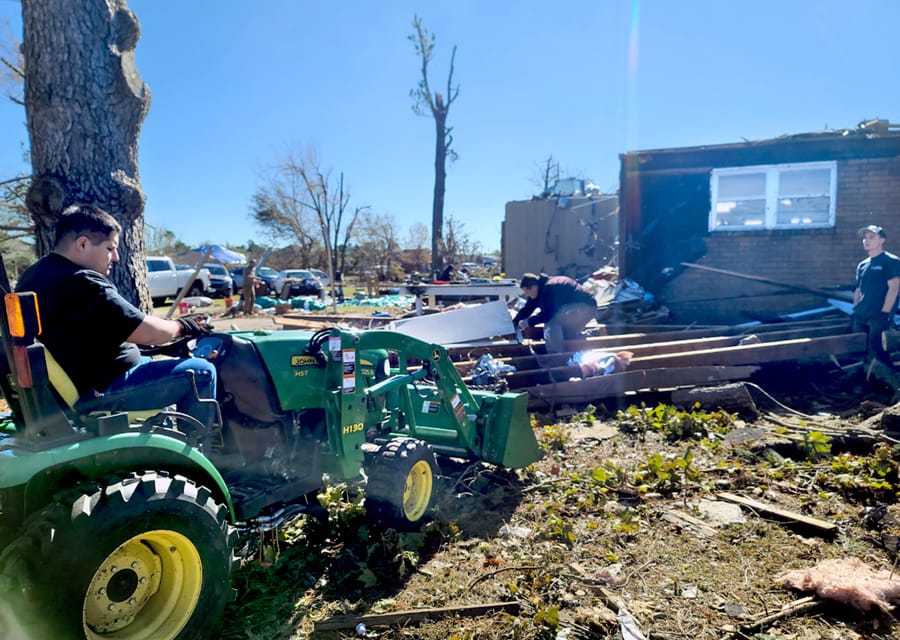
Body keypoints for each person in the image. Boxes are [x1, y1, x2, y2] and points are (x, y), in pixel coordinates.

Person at [15, 204, 217, 425]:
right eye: (110, 248)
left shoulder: (34, 276)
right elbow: (149, 333)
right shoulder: (82, 282)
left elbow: (88, 333)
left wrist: (168, 344)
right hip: (104, 388)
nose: (116, 257)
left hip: (93, 376)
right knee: (202, 372)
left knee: (166, 361)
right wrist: (184, 325)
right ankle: (199, 451)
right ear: (83, 244)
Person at [852, 225, 900, 380]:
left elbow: (894, 288)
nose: (866, 240)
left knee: (877, 349)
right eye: (865, 238)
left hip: (878, 315)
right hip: (861, 315)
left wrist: (885, 313)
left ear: (882, 240)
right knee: (859, 349)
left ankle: (885, 381)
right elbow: (859, 290)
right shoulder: (862, 265)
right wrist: (855, 310)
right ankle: (864, 379)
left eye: (871, 237)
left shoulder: (891, 261)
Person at [513, 272, 597, 353]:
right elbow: (528, 308)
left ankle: (555, 355)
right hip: (581, 309)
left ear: (534, 287)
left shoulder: (549, 288)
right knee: (563, 333)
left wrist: (529, 322)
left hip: (583, 307)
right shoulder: (539, 290)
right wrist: (514, 323)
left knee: (552, 322)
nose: (527, 295)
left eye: (527, 292)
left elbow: (547, 315)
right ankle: (577, 345)